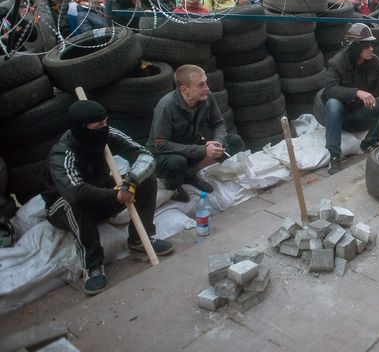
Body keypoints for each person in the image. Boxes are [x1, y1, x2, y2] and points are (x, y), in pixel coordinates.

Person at [44, 100, 174, 295]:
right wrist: (117, 195)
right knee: (75, 204)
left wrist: (130, 183)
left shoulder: (108, 133)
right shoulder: (63, 154)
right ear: (82, 128)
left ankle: (139, 239)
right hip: (64, 204)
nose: (104, 128)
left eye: (106, 123)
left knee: (146, 179)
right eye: (99, 126)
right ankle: (93, 266)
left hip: (103, 193)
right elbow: (76, 192)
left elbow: (145, 156)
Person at [147, 65, 244, 202]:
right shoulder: (166, 106)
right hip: (165, 154)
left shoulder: (207, 97)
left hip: (191, 145)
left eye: (206, 82)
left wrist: (217, 142)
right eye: (201, 85)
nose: (207, 88)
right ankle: (174, 185)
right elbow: (161, 145)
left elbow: (218, 123)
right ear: (184, 90)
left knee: (233, 141)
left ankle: (190, 174)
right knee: (177, 162)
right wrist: (203, 149)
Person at [321, 23, 379, 175]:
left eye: (372, 45)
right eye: (366, 46)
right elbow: (330, 89)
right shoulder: (337, 62)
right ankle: (334, 156)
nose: (371, 49)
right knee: (332, 104)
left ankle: (369, 141)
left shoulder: (375, 62)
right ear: (355, 47)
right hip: (343, 114)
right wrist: (357, 92)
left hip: (362, 112)